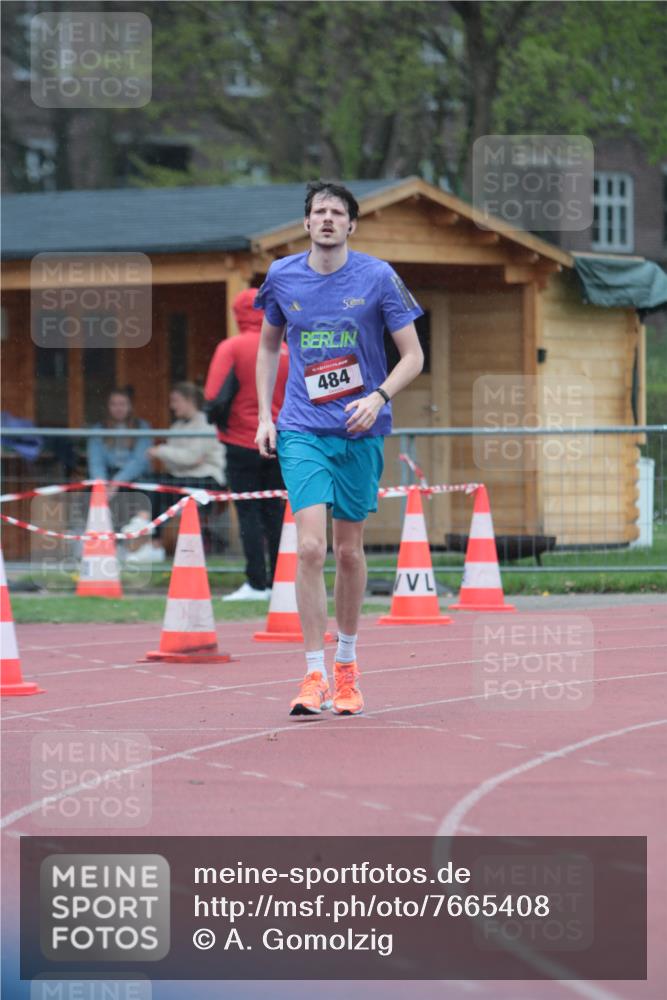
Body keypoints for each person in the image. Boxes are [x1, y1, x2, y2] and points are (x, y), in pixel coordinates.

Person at [255, 180, 424, 717]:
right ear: (306, 223)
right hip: (302, 428)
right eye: (318, 211)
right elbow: (267, 345)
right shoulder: (282, 276)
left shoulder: (378, 277)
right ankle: (313, 673)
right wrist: (265, 416)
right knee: (309, 549)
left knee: (349, 552)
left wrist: (377, 398)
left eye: (337, 212)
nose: (327, 219)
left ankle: (347, 666)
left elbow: (413, 356)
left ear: (351, 224)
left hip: (359, 430)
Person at [204, 287, 289, 600]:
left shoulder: (233, 347)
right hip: (282, 440)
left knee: (249, 513)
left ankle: (256, 583)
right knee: (276, 511)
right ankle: (282, 580)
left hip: (241, 441)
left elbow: (213, 394)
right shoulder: (286, 347)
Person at [124, 382, 225, 563]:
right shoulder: (177, 426)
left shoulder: (206, 423)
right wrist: (176, 458)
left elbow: (192, 458)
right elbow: (178, 463)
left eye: (175, 401)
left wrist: (161, 451)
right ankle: (152, 540)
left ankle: (145, 528)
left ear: (190, 400)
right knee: (149, 482)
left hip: (206, 481)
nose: (172, 406)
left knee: (161, 488)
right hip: (182, 478)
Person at [87, 387, 151, 492]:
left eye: (122, 404)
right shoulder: (99, 429)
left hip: (136, 478)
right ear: (108, 407)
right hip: (108, 475)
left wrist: (118, 481)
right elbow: (96, 462)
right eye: (114, 404)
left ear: (130, 406)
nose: (118, 408)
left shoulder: (142, 427)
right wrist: (102, 485)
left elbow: (140, 461)